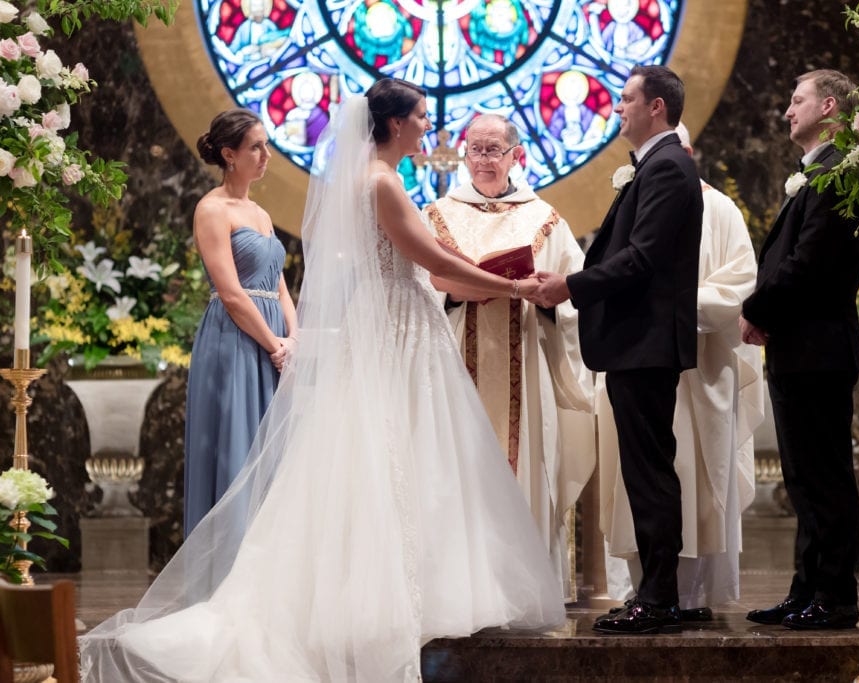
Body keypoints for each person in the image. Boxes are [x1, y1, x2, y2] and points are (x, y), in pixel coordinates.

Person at [79, 78, 564, 682]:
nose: (426, 127)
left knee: (405, 456)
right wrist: (518, 287)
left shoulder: (374, 179)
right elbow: (436, 264)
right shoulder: (381, 182)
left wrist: (499, 284)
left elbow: (436, 273)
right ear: (391, 125)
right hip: (396, 329)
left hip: (397, 323)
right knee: (394, 453)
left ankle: (413, 587)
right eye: (419, 117)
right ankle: (386, 599)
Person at [530, 64, 703, 634]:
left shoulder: (668, 167)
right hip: (638, 342)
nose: (616, 108)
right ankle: (658, 595)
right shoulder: (654, 166)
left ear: (657, 107)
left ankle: (659, 601)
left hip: (646, 342)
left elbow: (643, 257)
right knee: (645, 469)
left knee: (650, 472)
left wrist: (569, 286)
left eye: (626, 99)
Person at [425, 113, 595, 600]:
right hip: (455, 356)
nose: (482, 160)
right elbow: (416, 286)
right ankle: (458, 588)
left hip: (527, 355)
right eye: (474, 149)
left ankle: (521, 587)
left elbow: (570, 292)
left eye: (492, 150)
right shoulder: (437, 214)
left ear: (515, 156)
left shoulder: (543, 219)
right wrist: (458, 294)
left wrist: (542, 297)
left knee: (521, 462)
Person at [601, 122, 764, 615]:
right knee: (645, 475)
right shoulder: (634, 197)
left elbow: (739, 283)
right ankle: (648, 589)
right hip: (639, 357)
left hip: (699, 365)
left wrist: (667, 310)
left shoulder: (718, 208)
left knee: (693, 474)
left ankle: (687, 595)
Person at [740, 69, 859, 630]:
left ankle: (836, 596)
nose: (788, 111)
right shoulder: (817, 174)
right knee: (803, 479)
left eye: (798, 101)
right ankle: (807, 588)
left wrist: (757, 309)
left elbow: (809, 263)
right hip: (800, 348)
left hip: (818, 349)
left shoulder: (839, 173)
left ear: (829, 106)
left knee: (824, 476)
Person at [185, 108, 297, 536]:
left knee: (272, 453)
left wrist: (295, 337)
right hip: (235, 340)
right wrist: (274, 343)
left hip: (274, 343)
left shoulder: (262, 214)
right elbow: (231, 293)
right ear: (229, 154)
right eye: (257, 147)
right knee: (237, 447)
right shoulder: (211, 210)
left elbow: (280, 286)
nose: (267, 155)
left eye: (266, 145)